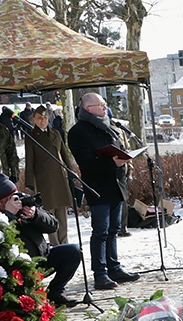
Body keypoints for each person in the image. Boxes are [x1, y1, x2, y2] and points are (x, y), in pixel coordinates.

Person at [67, 93, 141, 290]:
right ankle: (100, 273)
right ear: (88, 108)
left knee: (114, 229)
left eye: (104, 104)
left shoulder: (108, 127)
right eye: (100, 105)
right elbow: (86, 162)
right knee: (100, 231)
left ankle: (114, 267)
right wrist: (112, 162)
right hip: (98, 187)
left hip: (116, 184)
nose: (104, 107)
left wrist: (124, 158)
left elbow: (116, 148)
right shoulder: (78, 132)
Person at [0, 173, 82, 307]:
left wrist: (35, 215)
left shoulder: (24, 204)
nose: (16, 201)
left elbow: (53, 226)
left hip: (42, 257)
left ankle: (55, 292)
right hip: (19, 268)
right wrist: (8, 215)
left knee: (73, 252)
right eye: (10, 199)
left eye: (16, 195)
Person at [24, 106, 78, 246]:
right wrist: (29, 181)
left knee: (62, 213)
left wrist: (71, 172)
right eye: (40, 118)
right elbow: (29, 160)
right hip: (44, 179)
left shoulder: (55, 133)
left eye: (45, 118)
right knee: (49, 214)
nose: (43, 121)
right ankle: (55, 244)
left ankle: (64, 241)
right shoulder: (31, 136)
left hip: (60, 177)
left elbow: (64, 154)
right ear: (34, 120)